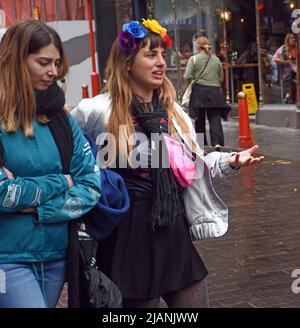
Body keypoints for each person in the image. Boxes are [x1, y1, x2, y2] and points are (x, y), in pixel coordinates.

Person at [71, 19, 264, 308]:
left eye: (163, 54)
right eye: (151, 55)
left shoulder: (174, 113)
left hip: (170, 227)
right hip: (126, 236)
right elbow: (68, 153)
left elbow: (193, 164)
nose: (161, 63)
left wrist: (232, 160)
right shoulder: (96, 111)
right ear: (126, 63)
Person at [0, 19, 101, 308]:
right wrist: (61, 183)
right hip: (7, 258)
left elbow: (91, 187)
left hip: (57, 256)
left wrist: (40, 207)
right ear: (16, 60)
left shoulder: (61, 118)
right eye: (43, 62)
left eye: (57, 63)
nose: (53, 72)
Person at [185, 36, 230, 151]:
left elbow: (188, 76)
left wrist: (195, 80)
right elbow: (220, 78)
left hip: (199, 92)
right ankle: (217, 143)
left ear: (197, 47)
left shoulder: (193, 59)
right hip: (215, 92)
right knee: (215, 119)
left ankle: (201, 144)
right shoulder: (216, 60)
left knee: (199, 119)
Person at [273, 33, 297, 104]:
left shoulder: (297, 48)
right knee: (287, 91)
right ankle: (289, 105)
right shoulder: (283, 49)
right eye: (291, 38)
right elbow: (275, 58)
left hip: (297, 72)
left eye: (294, 38)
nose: (293, 40)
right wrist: (284, 61)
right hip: (287, 73)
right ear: (288, 39)